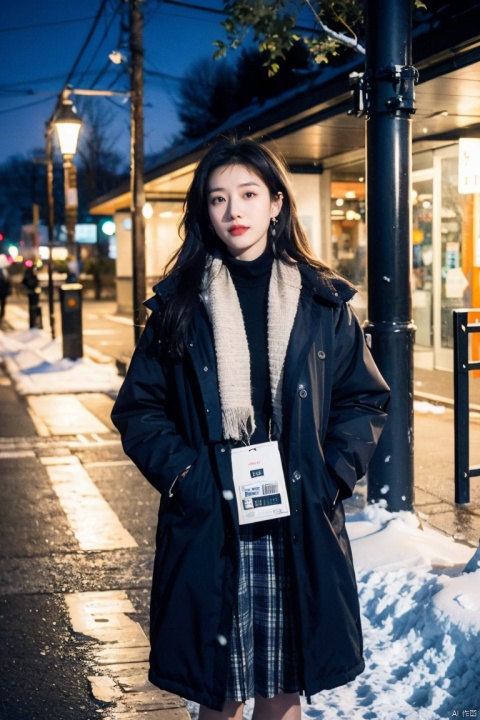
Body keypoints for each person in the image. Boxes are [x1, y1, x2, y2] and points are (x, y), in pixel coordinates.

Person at [111, 137, 390, 720]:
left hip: (296, 522)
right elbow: (140, 410)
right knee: (220, 694)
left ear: (276, 204)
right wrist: (189, 478)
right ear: (205, 213)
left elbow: (363, 399)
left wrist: (330, 477)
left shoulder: (321, 301)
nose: (233, 211)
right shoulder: (180, 305)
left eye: (248, 194)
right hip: (215, 519)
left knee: (285, 693)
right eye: (217, 199)